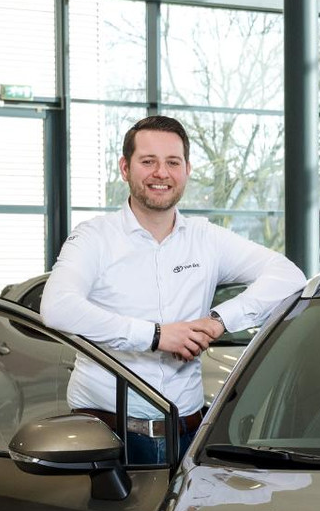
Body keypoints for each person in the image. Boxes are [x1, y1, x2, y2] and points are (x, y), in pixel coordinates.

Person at [42, 114, 305, 463]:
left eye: (172, 162)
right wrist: (155, 336)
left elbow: (289, 275)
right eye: (148, 161)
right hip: (109, 437)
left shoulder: (205, 238)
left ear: (187, 170)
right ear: (125, 168)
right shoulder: (94, 237)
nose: (161, 173)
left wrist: (218, 321)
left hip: (187, 434)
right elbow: (57, 307)